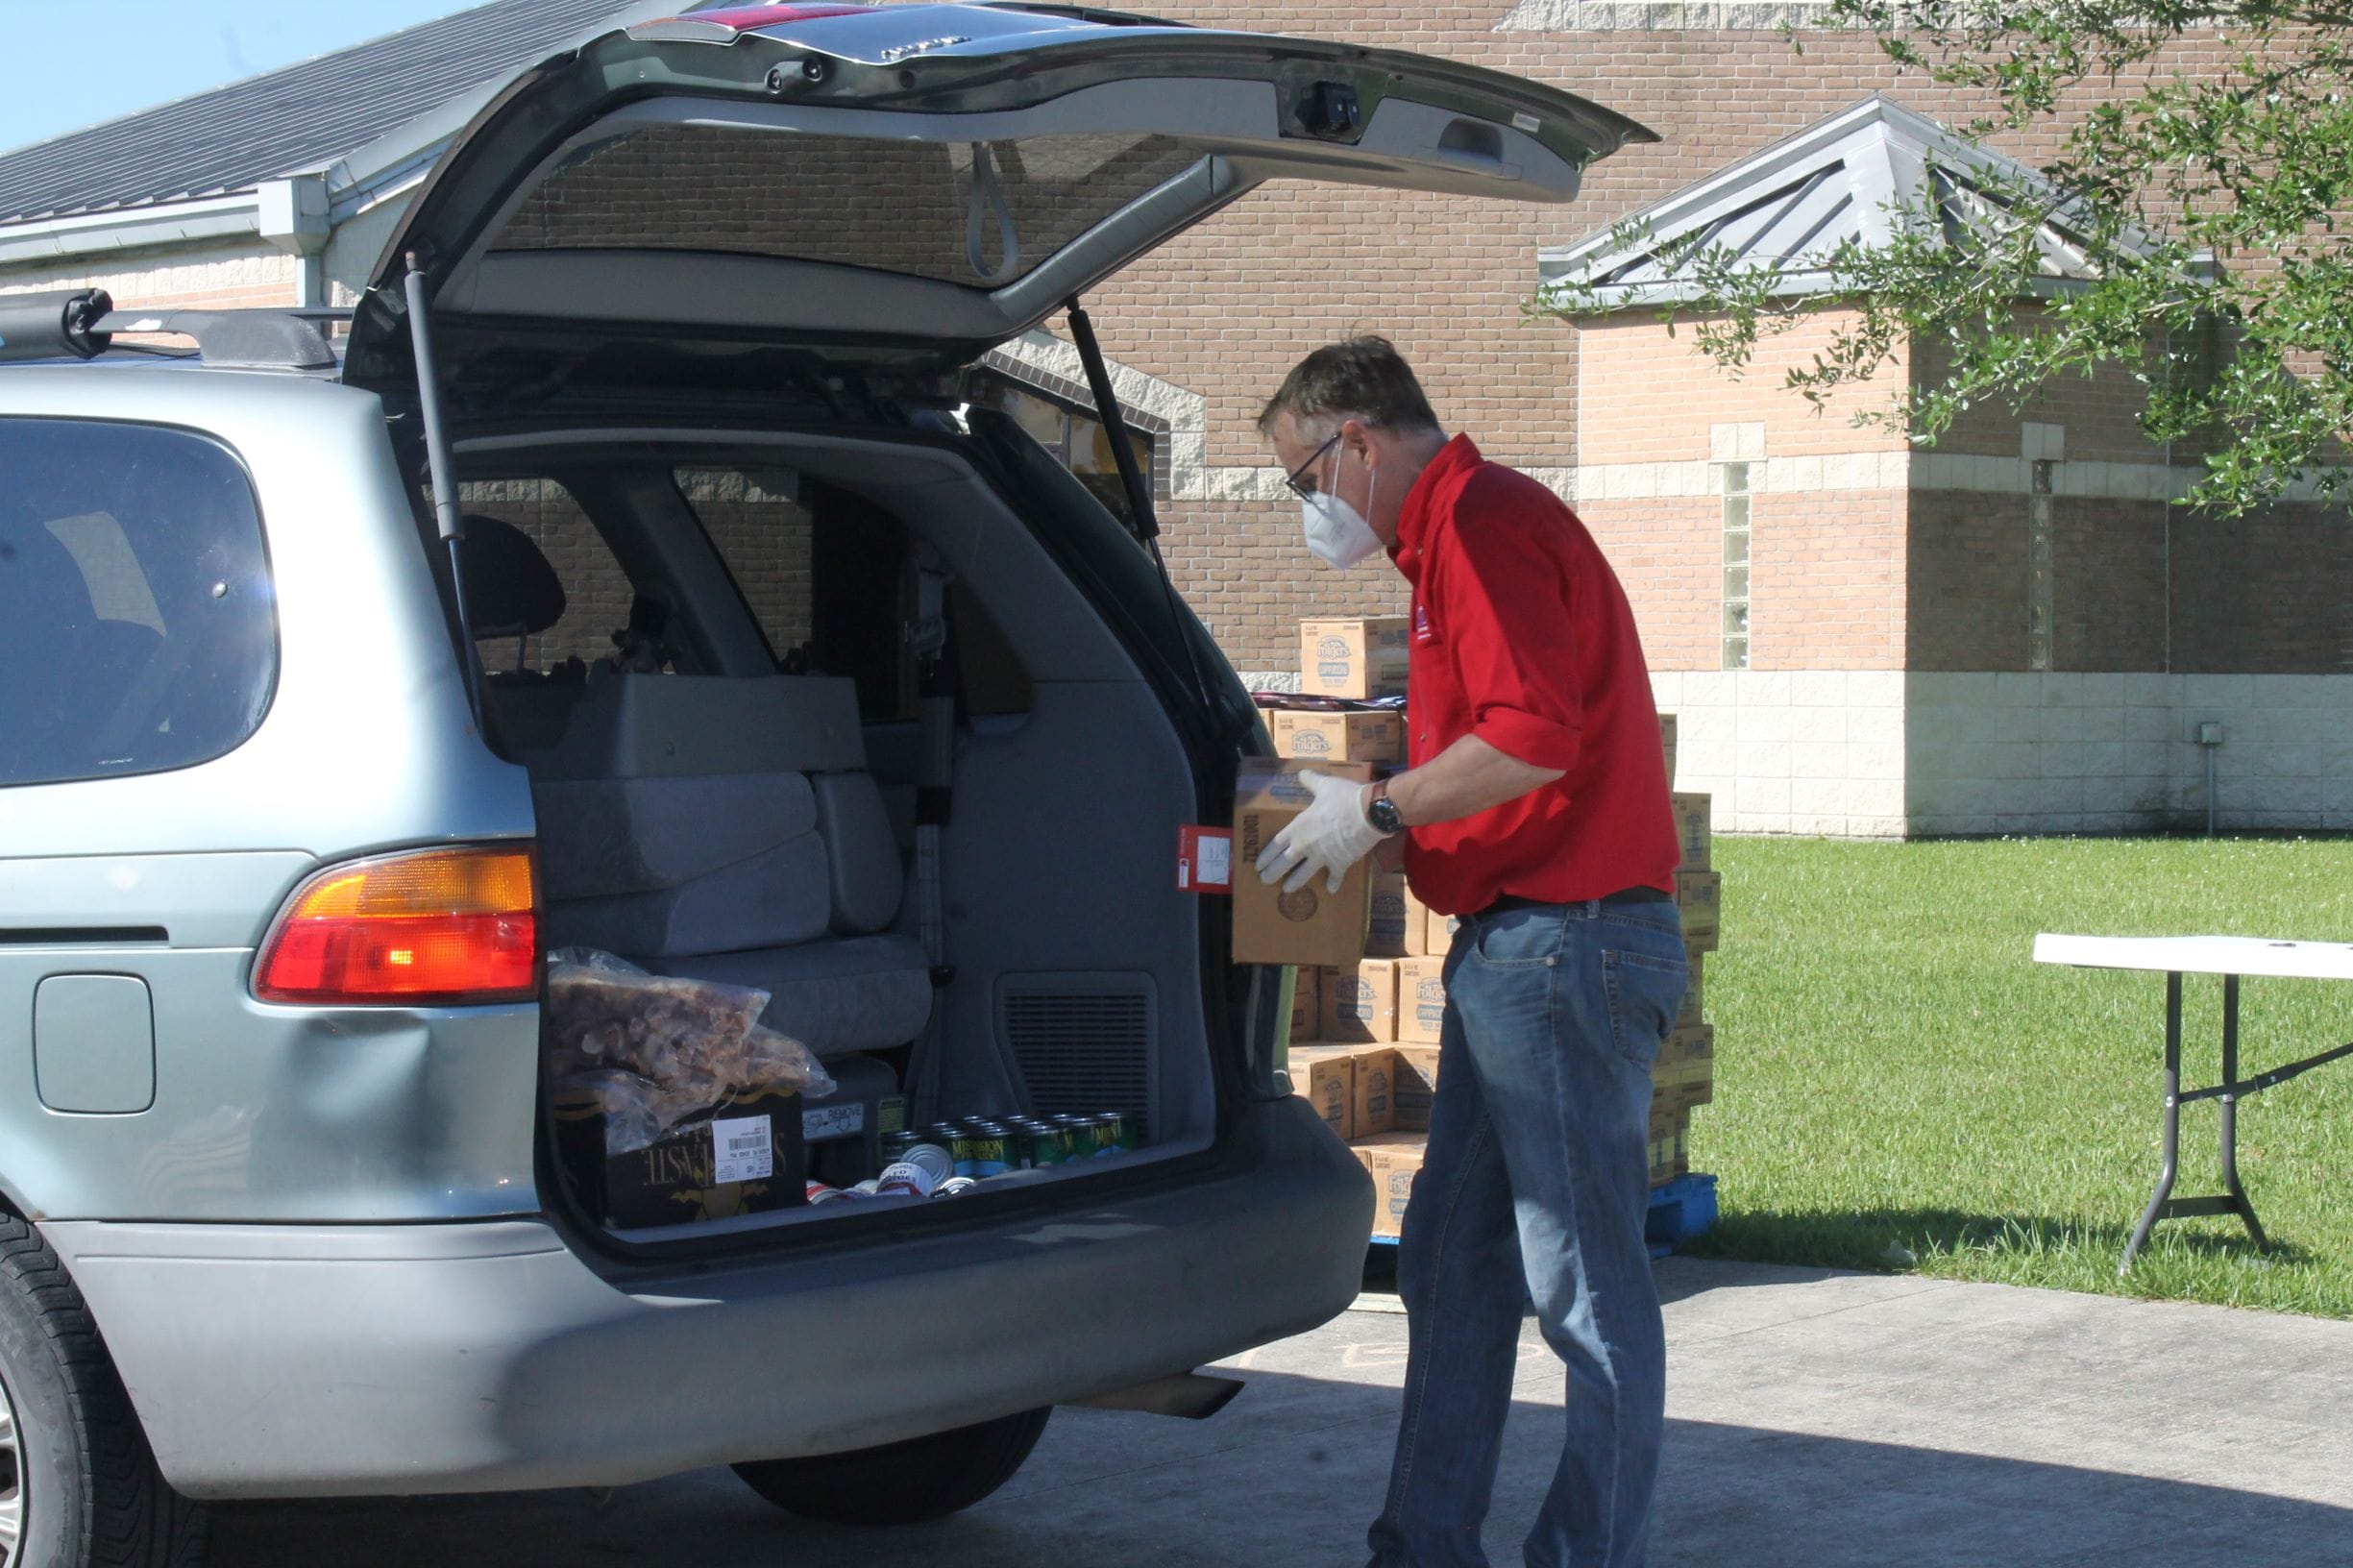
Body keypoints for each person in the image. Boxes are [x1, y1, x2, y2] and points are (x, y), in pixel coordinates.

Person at [1253, 338, 1687, 1568]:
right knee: (1450, 1257)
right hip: (1528, 948)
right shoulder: (1454, 537)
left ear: (1358, 438)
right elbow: (1511, 770)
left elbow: (1534, 741)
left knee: (1582, 1288)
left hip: (1566, 946)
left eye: (1303, 478)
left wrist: (1376, 811)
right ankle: (1422, 1546)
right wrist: (1363, 833)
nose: (1309, 508)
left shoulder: (1484, 525)